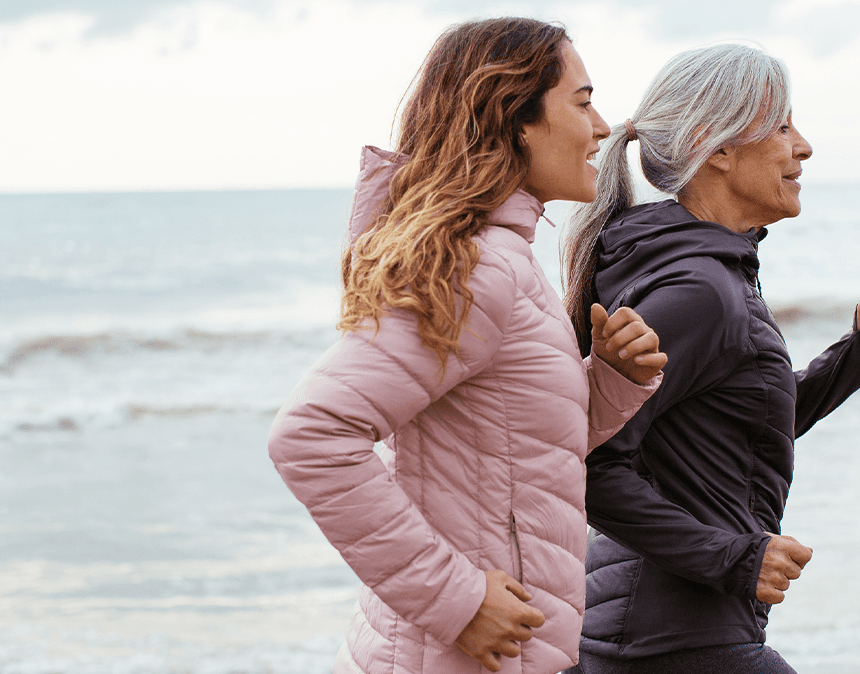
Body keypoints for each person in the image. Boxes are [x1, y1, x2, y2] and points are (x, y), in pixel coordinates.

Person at [267, 18, 669, 674]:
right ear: (516, 120)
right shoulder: (482, 269)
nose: (601, 127)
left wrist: (611, 379)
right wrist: (454, 599)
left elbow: (515, 452)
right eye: (583, 101)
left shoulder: (504, 260)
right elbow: (311, 436)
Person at [560, 43, 860, 673]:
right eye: (782, 125)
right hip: (670, 635)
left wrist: (858, 354)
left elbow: (731, 428)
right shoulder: (698, 291)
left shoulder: (710, 274)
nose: (802, 146)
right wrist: (733, 558)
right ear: (717, 147)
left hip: (669, 626)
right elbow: (585, 462)